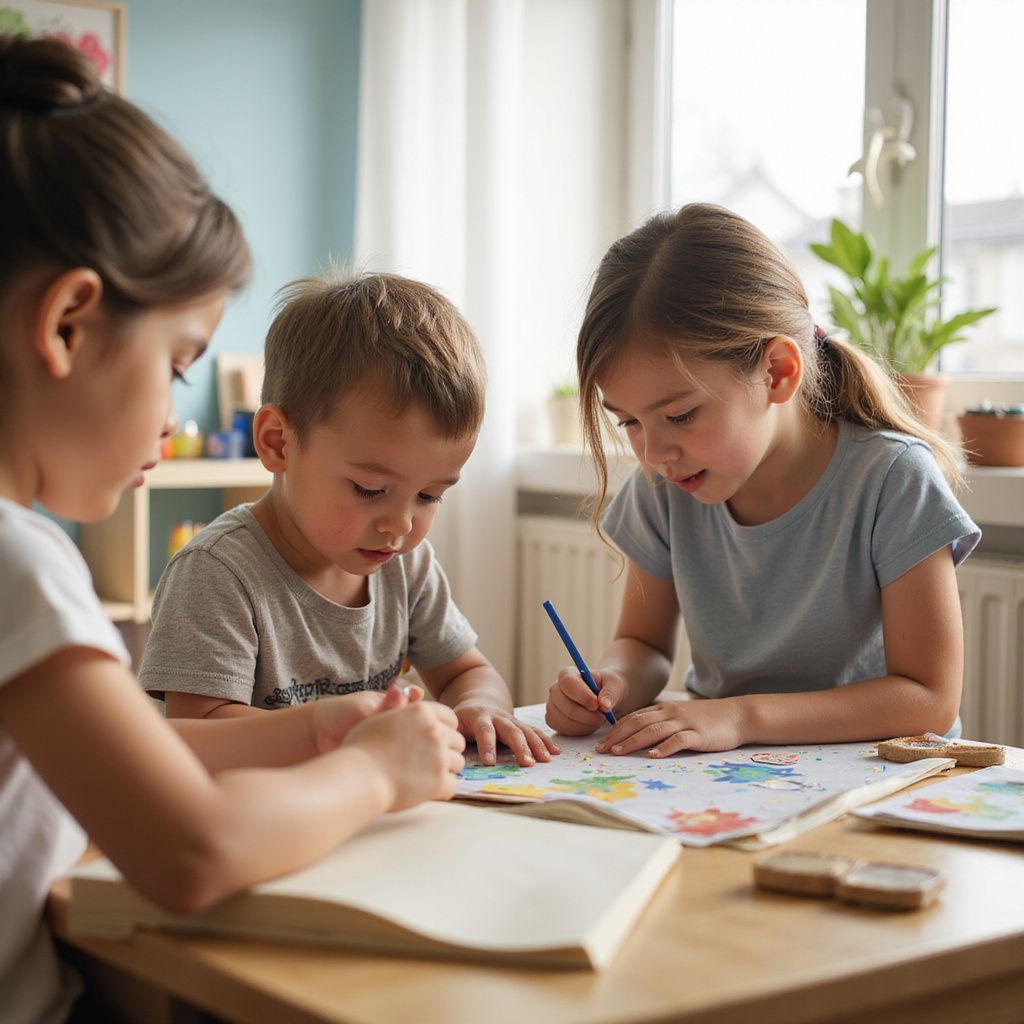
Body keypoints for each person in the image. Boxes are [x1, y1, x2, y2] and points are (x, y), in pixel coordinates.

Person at [0, 35, 465, 1024]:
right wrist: (371, 774)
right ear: (69, 324)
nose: (174, 409)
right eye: (177, 362)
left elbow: (134, 761)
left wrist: (316, 726)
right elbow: (195, 850)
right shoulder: (17, 561)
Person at [545, 202, 979, 756]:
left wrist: (742, 717)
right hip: (733, 774)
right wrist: (612, 682)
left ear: (777, 372)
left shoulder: (892, 479)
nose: (653, 452)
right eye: (628, 421)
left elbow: (928, 698)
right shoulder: (665, 487)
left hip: (880, 777)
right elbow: (642, 643)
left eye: (679, 415)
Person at [141, 271, 558, 769]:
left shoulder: (407, 565)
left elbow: (465, 672)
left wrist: (479, 707)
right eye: (370, 490)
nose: (400, 525)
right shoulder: (216, 573)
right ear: (278, 442)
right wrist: (340, 733)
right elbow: (195, 734)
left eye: (429, 495)